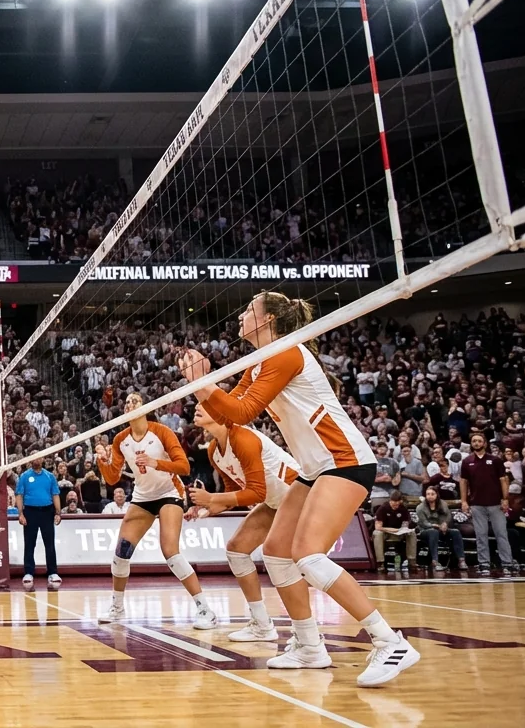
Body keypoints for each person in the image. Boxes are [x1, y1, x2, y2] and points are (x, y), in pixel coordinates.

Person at [180, 291, 418, 687]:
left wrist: (203, 382)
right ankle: (309, 646)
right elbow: (229, 414)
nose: (241, 315)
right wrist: (201, 384)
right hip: (314, 469)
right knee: (275, 553)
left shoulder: (286, 352)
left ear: (268, 319)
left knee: (307, 556)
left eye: (248, 309)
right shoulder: (256, 363)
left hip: (345, 461)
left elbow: (242, 412)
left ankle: (389, 641)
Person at [95, 393, 216, 629]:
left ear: (146, 406)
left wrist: (155, 462)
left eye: (135, 401)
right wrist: (103, 460)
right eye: (127, 402)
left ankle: (205, 609)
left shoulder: (161, 432)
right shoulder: (120, 439)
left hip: (169, 493)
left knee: (170, 552)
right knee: (121, 554)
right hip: (142, 497)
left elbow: (184, 466)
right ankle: (117, 608)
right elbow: (112, 479)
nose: (129, 404)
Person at [187, 403, 302, 642]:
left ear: (222, 412)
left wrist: (213, 497)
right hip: (275, 502)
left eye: (205, 404)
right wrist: (206, 508)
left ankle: (305, 634)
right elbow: (233, 492)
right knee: (237, 549)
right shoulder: (213, 450)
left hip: (298, 495)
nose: (197, 407)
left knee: (285, 561)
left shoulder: (243, 438)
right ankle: (262, 624)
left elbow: (256, 493)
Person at [459, 432, 513, 577]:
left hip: (496, 503)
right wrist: (464, 501)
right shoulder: (467, 461)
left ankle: (507, 563)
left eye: (479, 441)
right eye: (474, 441)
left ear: (485, 443)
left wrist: (505, 498)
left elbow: (503, 480)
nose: (476, 443)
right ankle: (484, 563)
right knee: (480, 535)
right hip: (477, 504)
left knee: (501, 534)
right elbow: (463, 482)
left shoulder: (495, 460)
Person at [16, 460, 62, 590]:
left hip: (47, 511)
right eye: (35, 458)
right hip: (30, 511)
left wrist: (58, 513)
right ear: (30, 461)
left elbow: (55, 494)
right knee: (30, 543)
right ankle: (29, 573)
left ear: (43, 460)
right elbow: (19, 495)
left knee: (50, 543)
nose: (37, 460)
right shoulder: (24, 476)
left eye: (39, 458)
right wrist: (20, 514)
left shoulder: (50, 476)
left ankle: (52, 572)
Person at [415, 485, 464, 573]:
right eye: (428, 494)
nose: (430, 496)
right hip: (425, 531)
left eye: (432, 494)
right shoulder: (420, 508)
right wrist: (436, 526)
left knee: (455, 532)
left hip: (441, 530)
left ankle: (461, 560)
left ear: (437, 495)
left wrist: (445, 524)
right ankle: (435, 561)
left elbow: (448, 516)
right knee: (433, 532)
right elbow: (424, 523)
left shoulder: (443, 504)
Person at [372, 491, 417, 574]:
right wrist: (391, 529)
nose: (395, 506)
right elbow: (378, 527)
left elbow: (405, 524)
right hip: (385, 533)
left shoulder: (403, 509)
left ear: (400, 502)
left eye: (397, 504)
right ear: (390, 501)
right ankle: (380, 562)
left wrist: (404, 529)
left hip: (398, 533)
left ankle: (412, 561)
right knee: (377, 533)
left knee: (412, 534)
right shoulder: (383, 508)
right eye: (393, 503)